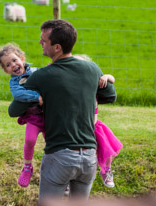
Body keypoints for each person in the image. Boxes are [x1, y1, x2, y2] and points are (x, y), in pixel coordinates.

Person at [8, 20, 117, 201]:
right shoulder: (92, 69)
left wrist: (36, 97)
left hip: (59, 157)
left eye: (44, 40)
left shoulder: (42, 76)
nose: (40, 43)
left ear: (57, 47)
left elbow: (14, 110)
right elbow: (110, 96)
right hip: (89, 157)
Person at [0, 43, 45, 188]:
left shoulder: (37, 71)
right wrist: (37, 97)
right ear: (6, 70)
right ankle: (27, 167)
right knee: (30, 140)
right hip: (33, 117)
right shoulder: (14, 82)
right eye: (8, 65)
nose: (13, 65)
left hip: (49, 115)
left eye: (14, 60)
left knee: (52, 144)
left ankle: (56, 170)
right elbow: (18, 95)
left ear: (22, 58)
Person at [73, 54, 123, 188]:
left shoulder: (93, 83)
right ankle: (69, 180)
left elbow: (112, 78)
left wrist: (106, 77)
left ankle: (106, 170)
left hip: (94, 126)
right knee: (74, 155)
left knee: (107, 149)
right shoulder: (72, 87)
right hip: (78, 128)